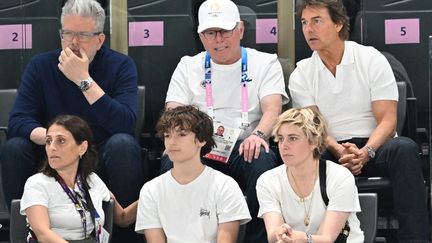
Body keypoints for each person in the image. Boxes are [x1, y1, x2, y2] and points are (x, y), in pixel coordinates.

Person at [0, 0, 144, 242]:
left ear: (99, 40)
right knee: (15, 146)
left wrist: (83, 80)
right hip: (53, 154)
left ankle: (122, 238)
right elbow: (18, 120)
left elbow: (125, 122)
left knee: (124, 144)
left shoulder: (121, 65)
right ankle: (23, 230)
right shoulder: (41, 65)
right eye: (68, 34)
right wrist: (53, 139)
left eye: (83, 36)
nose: (74, 42)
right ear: (60, 35)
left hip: (98, 151)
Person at [289, 0, 430, 242]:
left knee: (404, 148)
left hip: (376, 145)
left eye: (316, 21)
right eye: (304, 22)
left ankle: (416, 238)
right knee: (305, 153)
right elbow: (314, 126)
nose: (308, 29)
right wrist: (338, 149)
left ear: (338, 24)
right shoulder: (301, 72)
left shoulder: (370, 58)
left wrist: (366, 152)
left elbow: (388, 120)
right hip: (330, 147)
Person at [161, 0, 289, 241]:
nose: (218, 39)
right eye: (211, 33)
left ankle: (258, 238)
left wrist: (258, 135)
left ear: (240, 30)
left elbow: (273, 109)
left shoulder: (265, 62)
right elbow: (173, 114)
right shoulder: (188, 66)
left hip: (246, 144)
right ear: (201, 36)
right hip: (201, 145)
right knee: (172, 158)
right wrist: (189, 142)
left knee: (261, 158)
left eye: (225, 31)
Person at [135, 105, 251, 242]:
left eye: (182, 134)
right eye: (167, 135)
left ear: (201, 140)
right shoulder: (150, 190)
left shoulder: (225, 186)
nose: (172, 142)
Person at [21, 115, 137, 243]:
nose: (52, 147)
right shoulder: (37, 183)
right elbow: (43, 234)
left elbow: (122, 218)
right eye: (48, 141)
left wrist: (152, 192)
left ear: (82, 147)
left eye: (61, 141)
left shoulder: (92, 180)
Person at [257, 108, 364, 243]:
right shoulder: (267, 181)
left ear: (315, 142)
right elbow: (272, 235)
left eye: (293, 138)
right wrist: (280, 234)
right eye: (280, 138)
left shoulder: (340, 177)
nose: (283, 146)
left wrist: (304, 239)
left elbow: (327, 239)